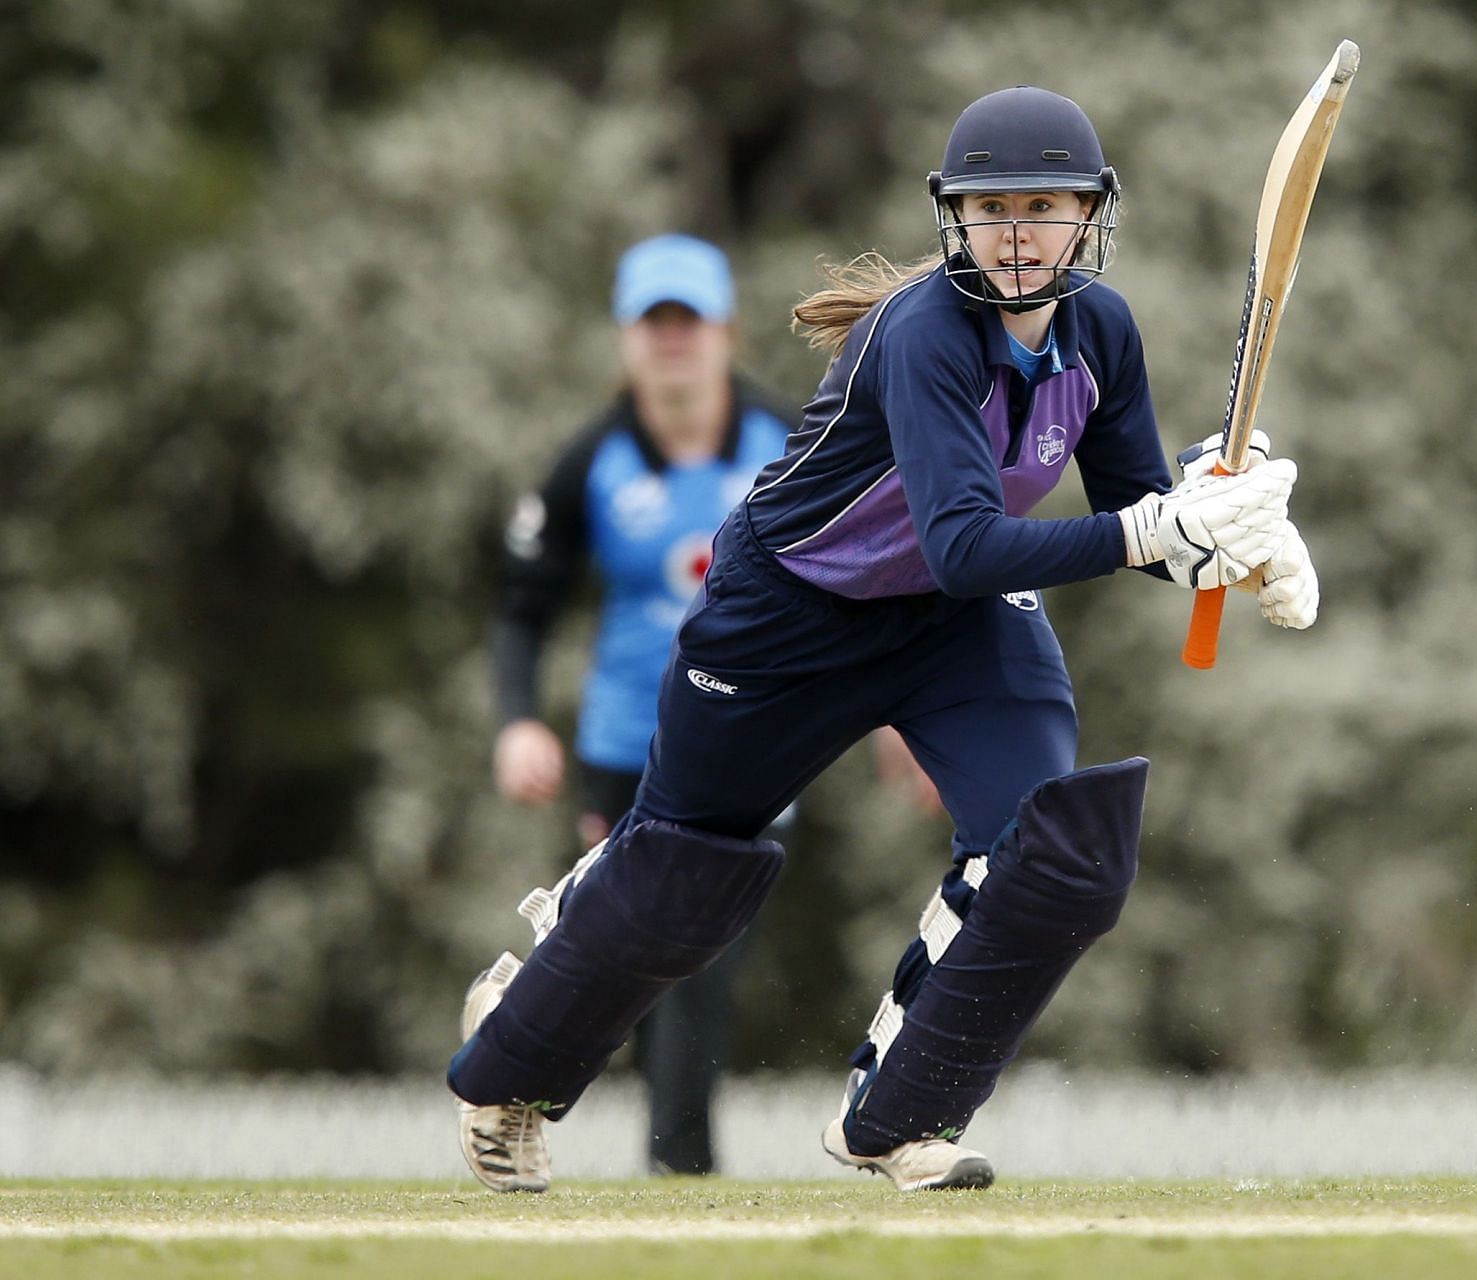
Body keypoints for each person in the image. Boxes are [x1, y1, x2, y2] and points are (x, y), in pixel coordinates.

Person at [448, 85, 1320, 1195]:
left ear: (1092, 214)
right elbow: (966, 540)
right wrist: (1158, 528)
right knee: (683, 880)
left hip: (950, 625)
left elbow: (1138, 509)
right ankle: (510, 1069)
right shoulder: (923, 334)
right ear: (953, 216)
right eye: (992, 207)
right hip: (788, 615)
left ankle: (899, 1120)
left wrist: (1231, 536)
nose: (1016, 234)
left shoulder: (1102, 330)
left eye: (1044, 207)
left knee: (1059, 850)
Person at [487, 232, 793, 1176]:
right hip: (626, 748)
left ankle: (679, 1166)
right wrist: (517, 719)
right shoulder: (590, 463)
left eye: (687, 322)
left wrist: (900, 719)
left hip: (759, 738)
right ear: (626, 340)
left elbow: (874, 585)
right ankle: (506, 1095)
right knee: (619, 958)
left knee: (705, 960)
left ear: (725, 332)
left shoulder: (790, 442)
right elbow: (522, 607)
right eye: (652, 324)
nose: (672, 343)